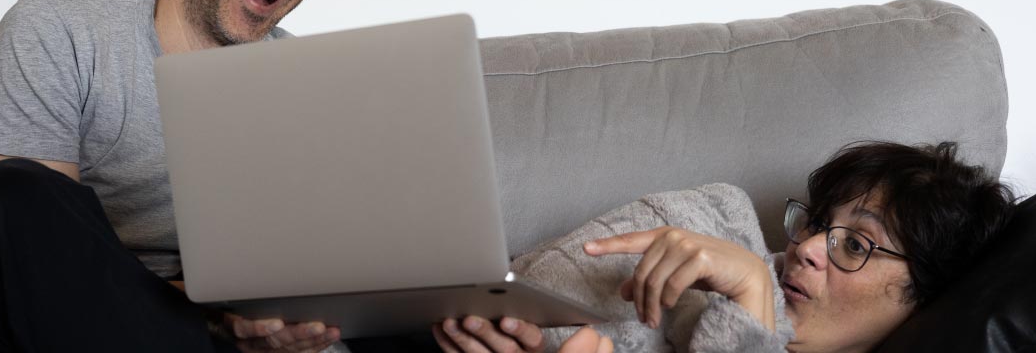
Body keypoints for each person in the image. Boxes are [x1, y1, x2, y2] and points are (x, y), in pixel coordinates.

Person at [0, 0, 342, 351]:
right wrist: (215, 324)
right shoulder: (61, 28)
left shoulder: (311, 81)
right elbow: (19, 260)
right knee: (5, 195)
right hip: (87, 334)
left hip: (249, 334)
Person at [433, 141, 1015, 352]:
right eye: (815, 223)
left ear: (925, 298)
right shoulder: (715, 241)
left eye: (857, 245)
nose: (809, 249)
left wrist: (754, 297)